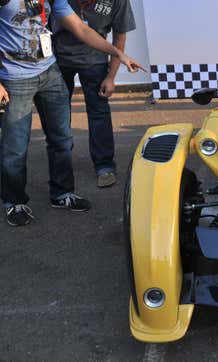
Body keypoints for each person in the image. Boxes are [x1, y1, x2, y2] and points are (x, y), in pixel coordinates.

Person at [0, 0, 144, 227]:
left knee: (62, 139)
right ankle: (14, 202)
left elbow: (82, 29)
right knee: (15, 147)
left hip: (50, 72)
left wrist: (118, 54)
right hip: (14, 79)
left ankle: (62, 193)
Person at [53, 0, 136, 188]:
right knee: (57, 114)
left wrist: (111, 76)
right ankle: (60, 164)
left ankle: (104, 166)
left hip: (95, 60)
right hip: (58, 60)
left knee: (99, 112)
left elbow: (119, 36)